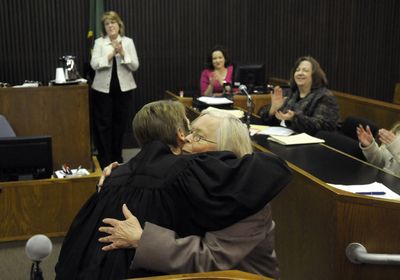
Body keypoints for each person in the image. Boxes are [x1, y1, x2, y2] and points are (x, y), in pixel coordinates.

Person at [55, 100, 292, 279]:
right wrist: (123, 171)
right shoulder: (194, 181)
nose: (185, 139)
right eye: (190, 131)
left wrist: (142, 240)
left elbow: (212, 259)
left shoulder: (244, 193)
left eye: (198, 136)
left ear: (226, 150)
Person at [91, 11, 139, 168]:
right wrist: (112, 54)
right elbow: (94, 64)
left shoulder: (128, 42)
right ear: (104, 27)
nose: (110, 25)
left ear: (119, 25)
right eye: (107, 23)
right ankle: (105, 158)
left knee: (120, 124)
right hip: (102, 91)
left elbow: (135, 66)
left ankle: (117, 157)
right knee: (104, 124)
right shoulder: (99, 43)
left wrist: (123, 52)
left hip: (124, 90)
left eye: (113, 22)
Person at [259, 56, 339, 135]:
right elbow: (262, 115)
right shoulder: (289, 92)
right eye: (297, 70)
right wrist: (272, 110)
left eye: (305, 71)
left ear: (314, 75)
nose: (300, 73)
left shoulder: (324, 96)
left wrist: (294, 118)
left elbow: (322, 125)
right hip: (284, 137)